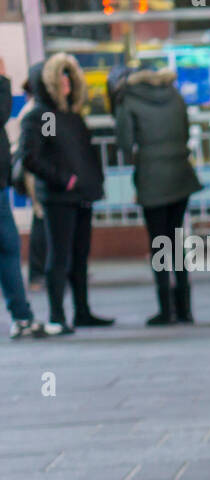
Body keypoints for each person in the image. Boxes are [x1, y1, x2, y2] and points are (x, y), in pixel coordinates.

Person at [20, 53, 111, 332]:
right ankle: (57, 315)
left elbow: (81, 152)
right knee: (59, 256)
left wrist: (91, 181)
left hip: (81, 194)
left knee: (80, 256)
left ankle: (82, 311)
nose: (67, 81)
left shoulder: (70, 115)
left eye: (69, 76)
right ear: (49, 83)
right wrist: (65, 180)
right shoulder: (45, 116)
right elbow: (33, 157)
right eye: (61, 76)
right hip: (60, 196)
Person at [110, 65, 203, 326]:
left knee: (159, 243)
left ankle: (166, 309)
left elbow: (125, 143)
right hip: (180, 173)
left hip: (151, 177)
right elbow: (185, 131)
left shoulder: (128, 99)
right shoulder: (174, 94)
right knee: (176, 240)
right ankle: (185, 308)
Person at [1, 64, 56, 338]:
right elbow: (35, 149)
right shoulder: (37, 114)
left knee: (11, 244)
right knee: (34, 228)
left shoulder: (48, 113)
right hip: (42, 182)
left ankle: (22, 315)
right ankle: (25, 306)